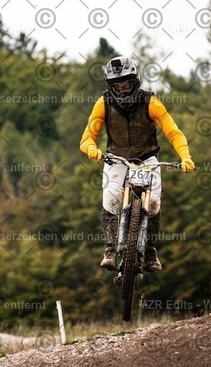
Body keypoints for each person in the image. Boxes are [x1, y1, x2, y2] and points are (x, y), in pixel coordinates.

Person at [79, 56, 195, 272]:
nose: (122, 90)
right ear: (111, 86)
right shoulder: (103, 103)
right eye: (117, 86)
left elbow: (174, 133)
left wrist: (185, 157)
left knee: (154, 203)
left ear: (135, 82)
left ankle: (150, 251)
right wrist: (92, 149)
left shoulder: (151, 102)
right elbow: (87, 138)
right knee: (111, 198)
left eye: (126, 84)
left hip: (147, 158)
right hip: (116, 157)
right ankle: (109, 250)